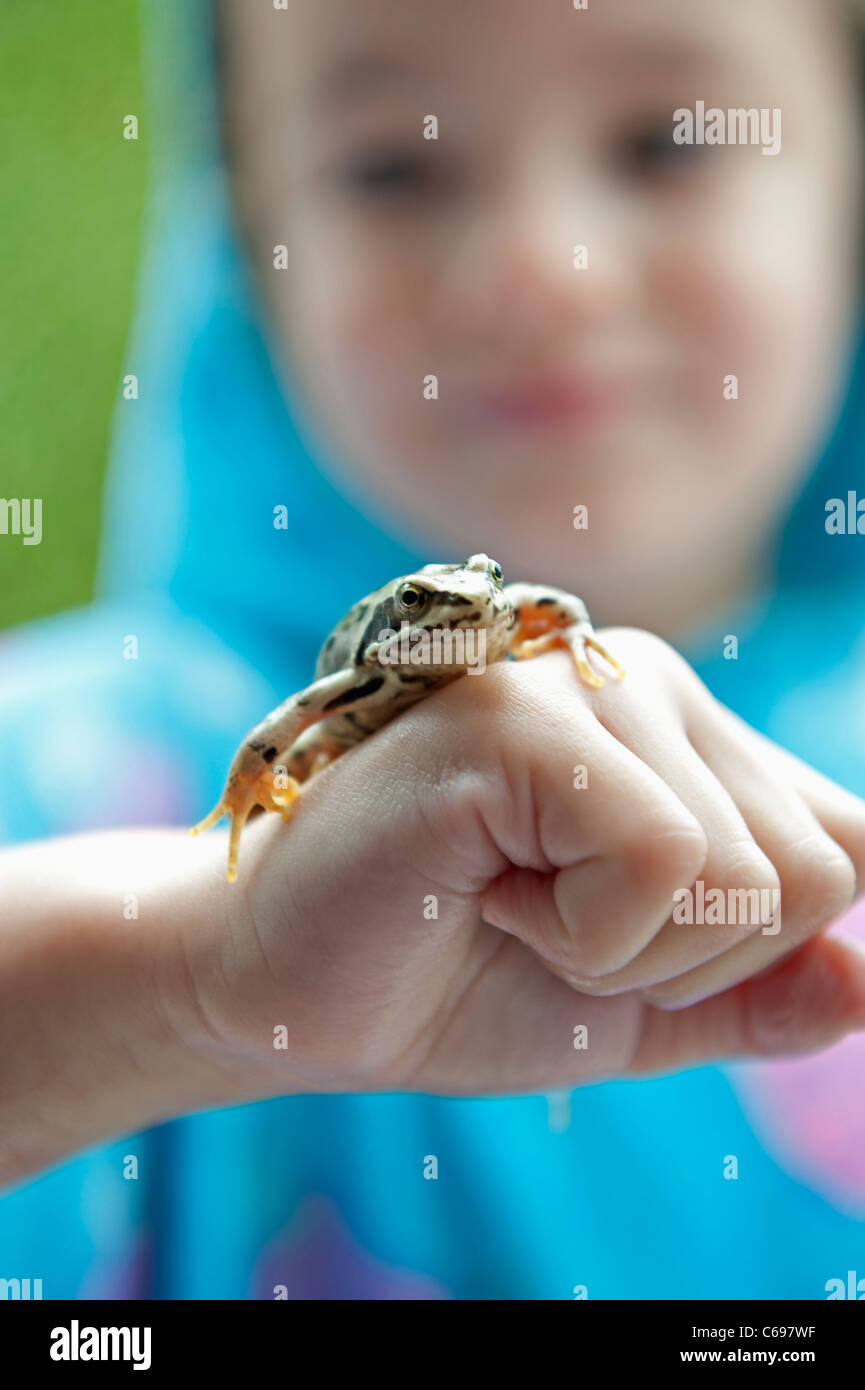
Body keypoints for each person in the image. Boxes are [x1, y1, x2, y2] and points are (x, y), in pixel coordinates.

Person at [2, 0, 865, 1298]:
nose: (544, 266)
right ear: (241, 231)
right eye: (390, 166)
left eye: (667, 142)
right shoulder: (80, 760)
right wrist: (193, 961)